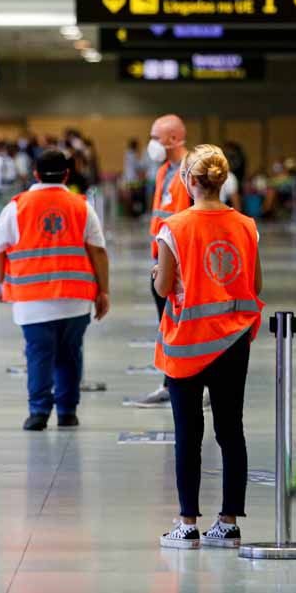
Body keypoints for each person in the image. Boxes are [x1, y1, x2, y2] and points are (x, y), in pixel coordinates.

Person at [153, 145, 263, 549]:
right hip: (233, 342)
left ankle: (187, 523)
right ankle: (229, 521)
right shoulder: (247, 226)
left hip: (188, 344)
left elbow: (164, 287)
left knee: (188, 433)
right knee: (231, 430)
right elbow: (255, 283)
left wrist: (160, 273)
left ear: (190, 181)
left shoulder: (174, 227)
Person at [0, 149, 111, 431]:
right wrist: (104, 291)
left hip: (32, 301)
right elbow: (98, 252)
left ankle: (39, 413)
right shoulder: (82, 206)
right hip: (76, 299)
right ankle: (67, 412)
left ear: (34, 173)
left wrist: (0, 283)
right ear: (67, 174)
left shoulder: (17, 207)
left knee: (39, 355)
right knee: (70, 354)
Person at [129, 113, 192, 408]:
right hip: (162, 256)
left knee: (183, 324)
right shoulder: (164, 170)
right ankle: (171, 381)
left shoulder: (191, 171)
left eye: (156, 137)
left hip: (182, 260)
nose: (151, 143)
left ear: (174, 139)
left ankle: (183, 383)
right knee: (166, 323)